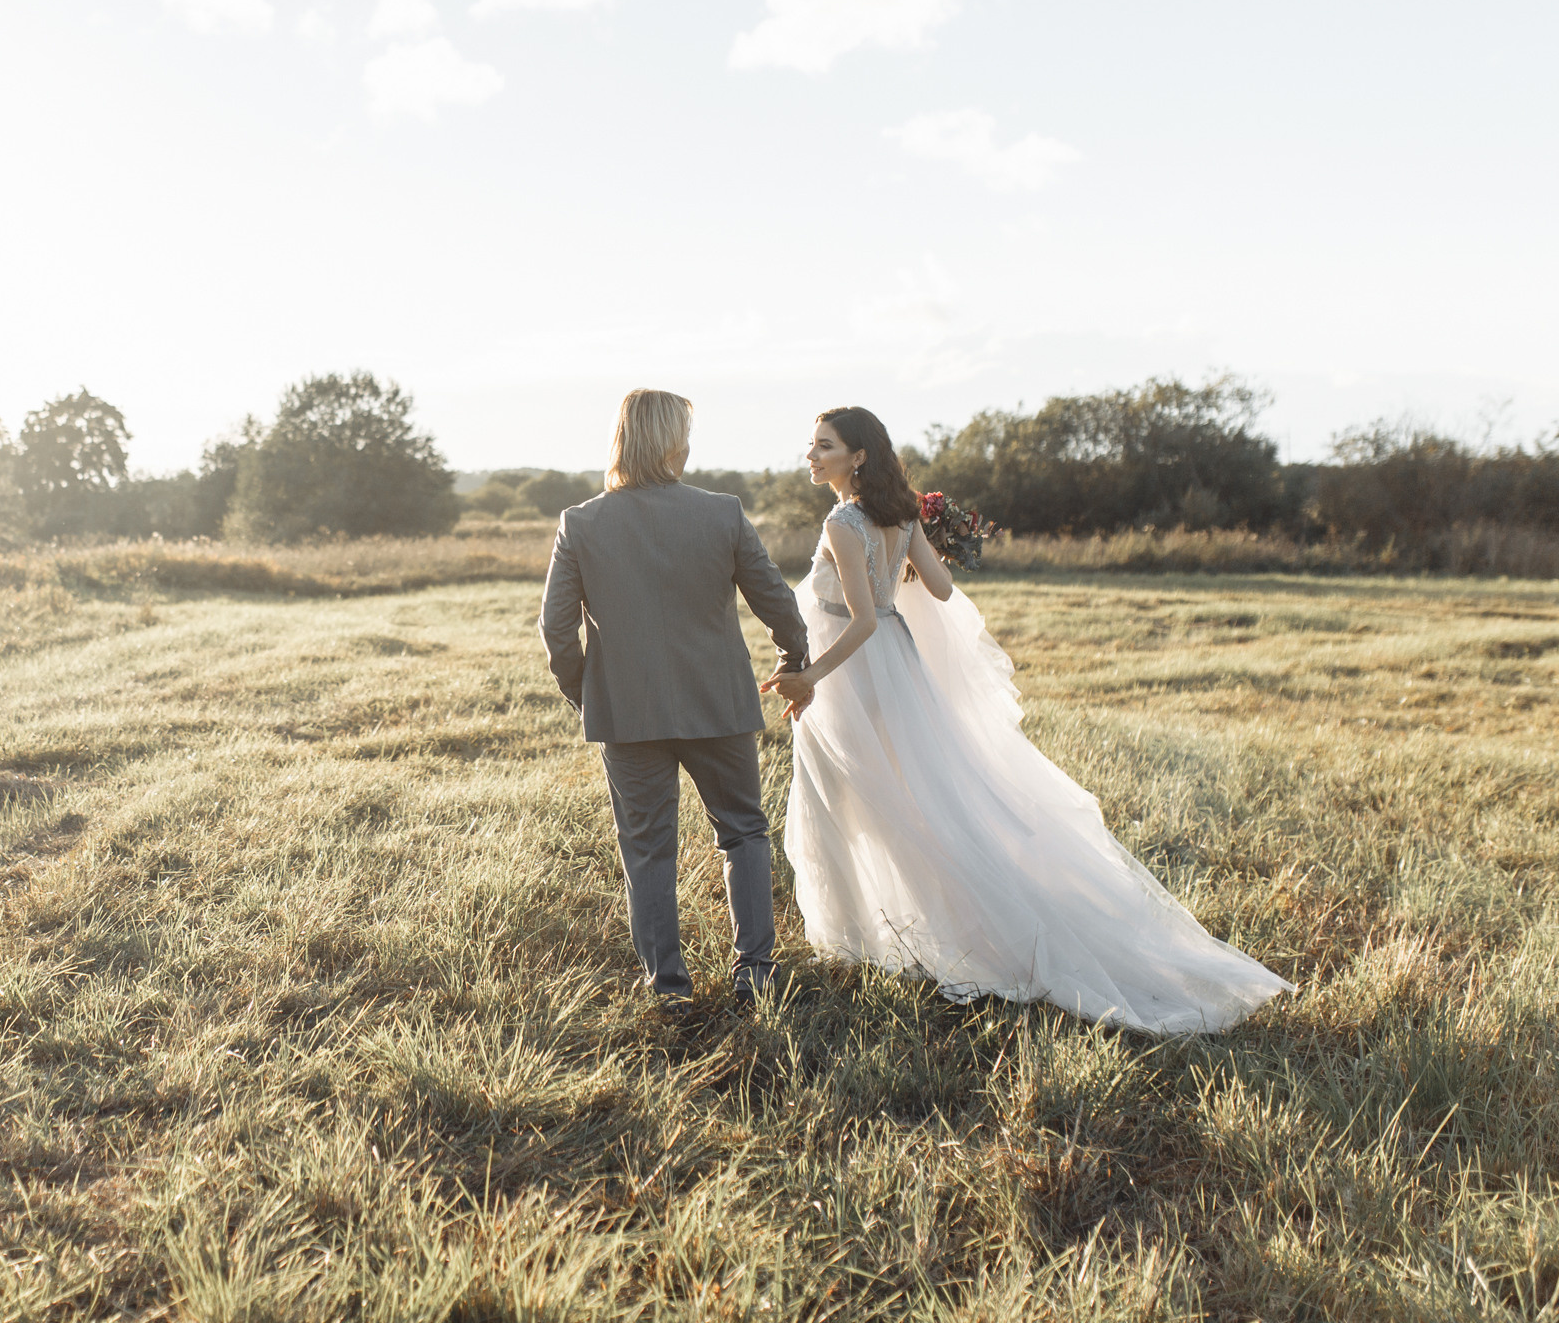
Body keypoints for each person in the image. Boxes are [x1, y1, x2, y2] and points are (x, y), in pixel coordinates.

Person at [763, 406, 1291, 1034]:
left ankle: (862, 937)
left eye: (824, 446)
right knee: (912, 796)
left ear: (858, 457)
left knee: (856, 798)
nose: (811, 456)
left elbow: (862, 619)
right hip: (898, 669)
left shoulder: (843, 521)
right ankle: (888, 928)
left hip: (853, 674)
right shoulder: (901, 515)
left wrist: (808, 679)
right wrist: (898, 564)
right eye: (812, 445)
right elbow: (938, 590)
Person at [539, 389, 810, 1010]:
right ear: (673, 445)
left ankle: (668, 989)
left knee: (648, 850)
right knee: (743, 832)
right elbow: (777, 601)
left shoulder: (580, 523)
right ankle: (756, 974)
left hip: (627, 715)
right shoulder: (722, 512)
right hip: (719, 702)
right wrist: (792, 660)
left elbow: (556, 631)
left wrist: (592, 696)